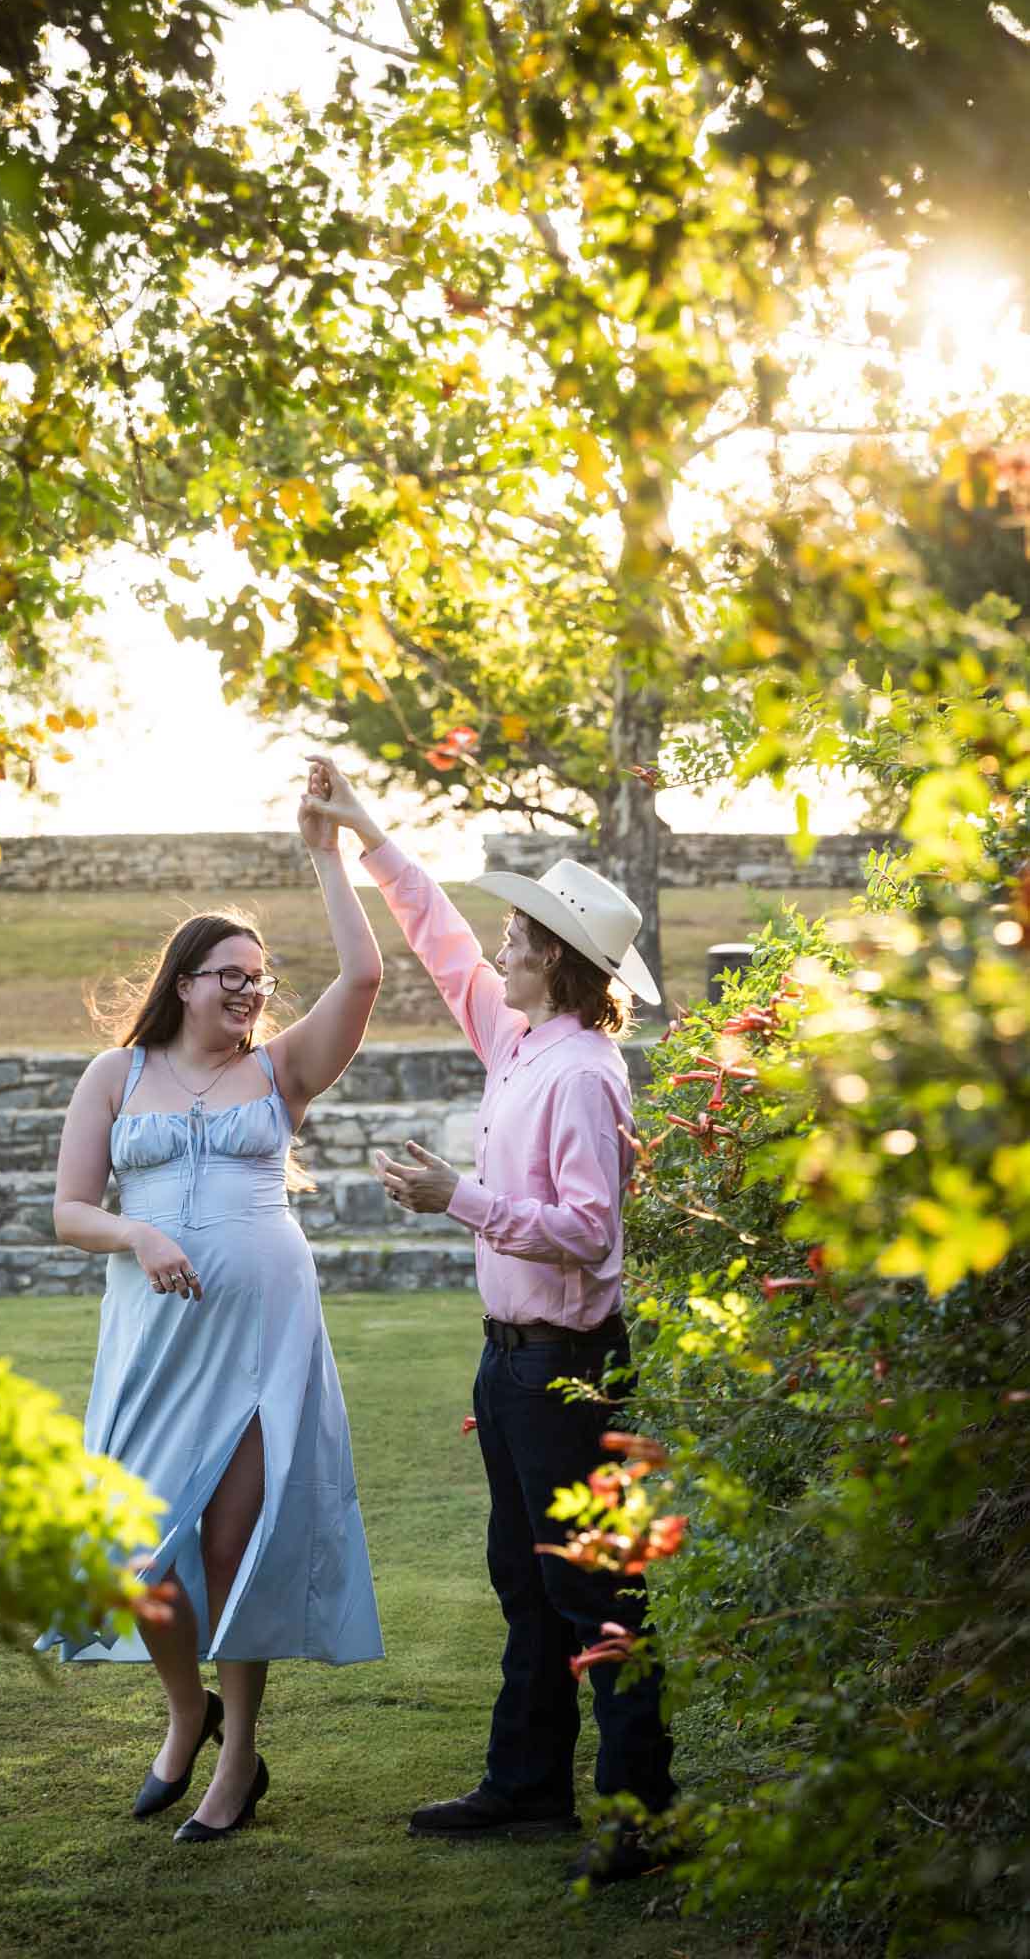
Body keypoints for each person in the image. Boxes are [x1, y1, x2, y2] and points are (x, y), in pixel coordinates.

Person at [300, 755, 677, 1885]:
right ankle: (525, 1785)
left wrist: (451, 1197)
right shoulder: (521, 1044)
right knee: (526, 1575)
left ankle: (641, 1818)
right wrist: (359, 823)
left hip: (567, 1369)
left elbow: (587, 1232)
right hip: (510, 1366)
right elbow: (435, 931)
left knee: (594, 1588)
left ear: (555, 957)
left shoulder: (580, 1074)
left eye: (518, 932)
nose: (500, 941)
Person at [40, 785, 384, 1841]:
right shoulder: (117, 1071)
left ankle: (237, 1757)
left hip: (259, 1334)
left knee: (235, 1544)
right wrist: (139, 1234)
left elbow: (365, 974)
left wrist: (329, 852)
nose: (248, 989)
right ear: (183, 982)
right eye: (228, 975)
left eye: (258, 976)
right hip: (154, 1337)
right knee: (141, 1547)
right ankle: (186, 1708)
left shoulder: (281, 1069)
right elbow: (66, 1210)